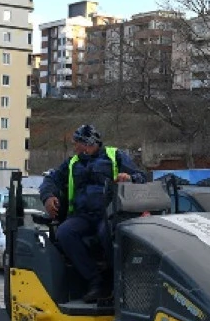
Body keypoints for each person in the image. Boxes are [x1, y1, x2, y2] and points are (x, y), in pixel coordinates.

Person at [40, 124, 146, 302]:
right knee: (65, 233)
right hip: (83, 216)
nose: (75, 147)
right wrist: (48, 196)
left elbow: (141, 176)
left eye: (77, 143)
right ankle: (95, 281)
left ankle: (116, 282)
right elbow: (50, 179)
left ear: (88, 143)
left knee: (107, 233)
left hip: (109, 214)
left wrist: (130, 178)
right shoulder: (72, 163)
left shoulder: (115, 156)